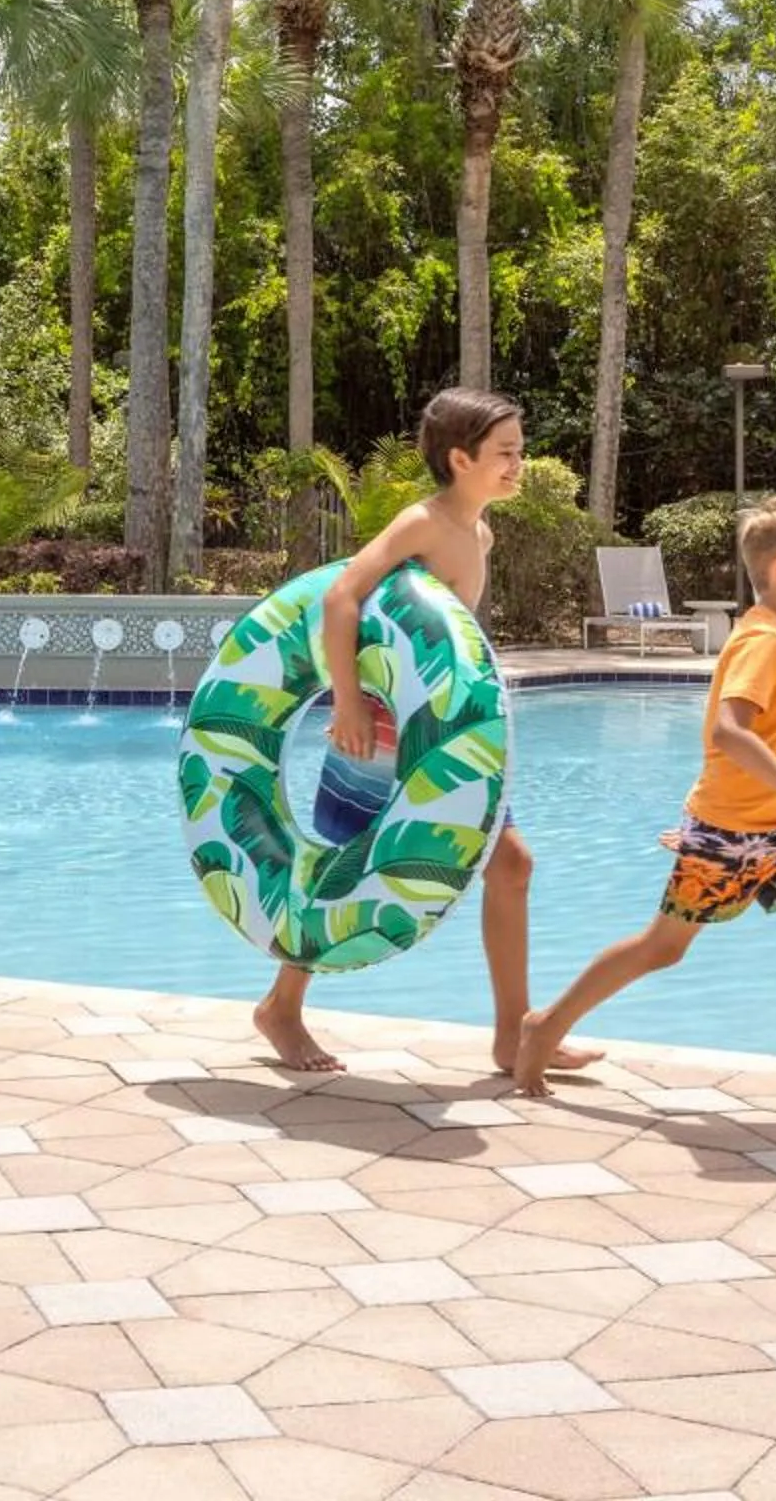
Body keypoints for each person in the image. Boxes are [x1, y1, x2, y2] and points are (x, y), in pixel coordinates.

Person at [512, 493, 776, 1132]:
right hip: (731, 832)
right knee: (663, 948)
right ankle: (545, 1024)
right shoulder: (762, 641)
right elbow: (729, 732)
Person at [258, 388, 600, 1078]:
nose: (519, 465)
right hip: (380, 735)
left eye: (519, 451)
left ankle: (513, 1037)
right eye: (506, 453)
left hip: (447, 737)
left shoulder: (479, 532)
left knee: (512, 864)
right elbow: (340, 595)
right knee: (342, 865)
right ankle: (282, 1007)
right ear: (459, 458)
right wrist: (348, 703)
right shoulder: (423, 523)